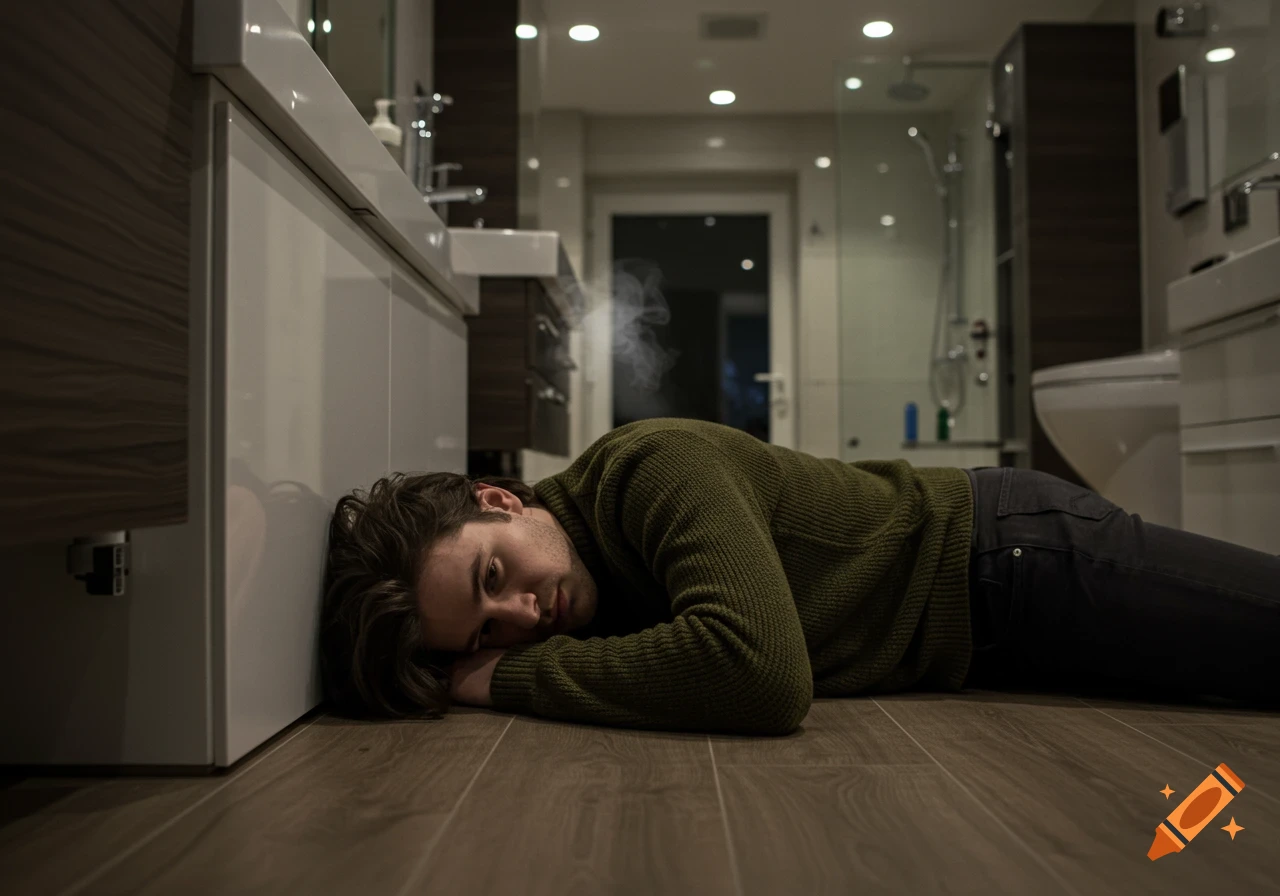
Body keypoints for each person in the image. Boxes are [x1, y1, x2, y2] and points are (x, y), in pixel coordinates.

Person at [319, 418, 1280, 735]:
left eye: (495, 576)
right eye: (485, 634)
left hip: (1013, 554)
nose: (522, 615)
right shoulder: (578, 596)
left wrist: (510, 682)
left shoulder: (652, 468)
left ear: (498, 501)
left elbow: (762, 673)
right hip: (993, 636)